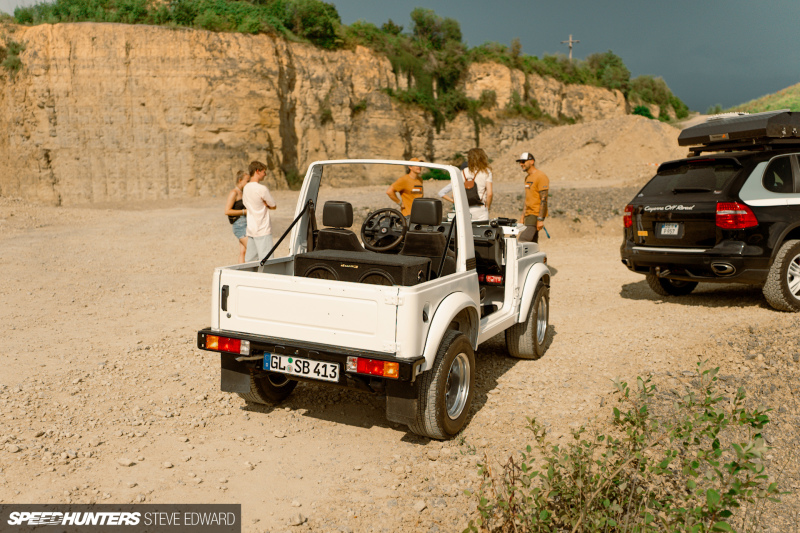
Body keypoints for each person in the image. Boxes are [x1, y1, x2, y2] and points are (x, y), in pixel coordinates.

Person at [438, 148, 493, 222]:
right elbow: (489, 194)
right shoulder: (486, 172)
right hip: (481, 209)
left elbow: (454, 195)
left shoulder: (463, 172)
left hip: (465, 209)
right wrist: (488, 207)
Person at [242, 161, 277, 262]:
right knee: (267, 261)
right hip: (263, 229)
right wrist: (266, 204)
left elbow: (245, 203)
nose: (265, 174)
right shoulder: (262, 189)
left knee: (250, 261)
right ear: (257, 171)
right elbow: (273, 205)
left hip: (251, 228)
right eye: (264, 172)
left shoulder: (246, 187)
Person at [516, 152, 549, 243]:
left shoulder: (541, 176)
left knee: (522, 240)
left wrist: (540, 219)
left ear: (532, 161)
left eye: (523, 161)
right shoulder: (527, 178)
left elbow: (544, 199)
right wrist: (522, 216)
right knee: (532, 243)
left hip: (535, 214)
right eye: (520, 162)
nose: (521, 164)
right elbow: (528, 198)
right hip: (528, 215)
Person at [224, 170, 249, 263]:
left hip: (245, 224)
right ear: (240, 180)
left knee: (243, 251)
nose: (248, 183)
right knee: (252, 249)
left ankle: (241, 273)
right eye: (247, 181)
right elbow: (227, 211)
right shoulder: (234, 193)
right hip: (239, 225)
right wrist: (244, 212)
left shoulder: (243, 192)